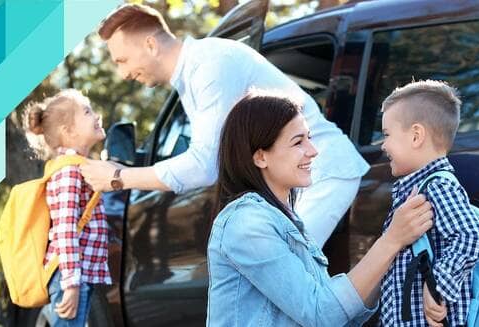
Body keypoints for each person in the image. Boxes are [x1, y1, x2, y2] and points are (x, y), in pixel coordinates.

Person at [80, 3, 368, 248]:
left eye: (123, 60)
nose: (123, 74)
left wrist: (119, 177)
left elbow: (204, 165)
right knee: (275, 280)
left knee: (284, 274)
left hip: (322, 172)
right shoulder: (193, 73)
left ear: (151, 45)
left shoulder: (210, 65)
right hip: (296, 181)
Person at [207, 92, 433, 326]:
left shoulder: (285, 219)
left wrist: (400, 248)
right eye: (298, 142)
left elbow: (341, 312)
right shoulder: (246, 223)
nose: (313, 150)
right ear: (261, 157)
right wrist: (391, 240)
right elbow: (321, 314)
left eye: (309, 138)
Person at [377, 80, 479, 327]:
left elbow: (471, 236)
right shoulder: (418, 188)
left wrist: (438, 286)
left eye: (387, 134)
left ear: (416, 136)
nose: (383, 145)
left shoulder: (438, 186)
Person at [23, 89, 111, 327]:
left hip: (74, 275)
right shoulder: (69, 171)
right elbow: (64, 229)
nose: (96, 116)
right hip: (69, 276)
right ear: (68, 131)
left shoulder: (77, 167)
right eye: (87, 112)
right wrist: (71, 283)